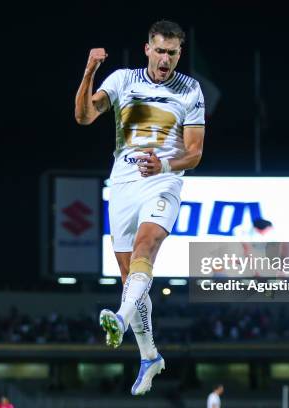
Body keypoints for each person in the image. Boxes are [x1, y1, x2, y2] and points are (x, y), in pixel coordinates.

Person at [74, 20, 206, 395]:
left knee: (146, 246)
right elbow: (84, 116)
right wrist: (89, 72)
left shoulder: (190, 89)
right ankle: (149, 356)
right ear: (147, 49)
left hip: (163, 180)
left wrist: (164, 165)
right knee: (129, 273)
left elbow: (194, 153)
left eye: (173, 53)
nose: (166, 59)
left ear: (180, 54)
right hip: (122, 183)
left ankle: (120, 316)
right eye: (160, 51)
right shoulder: (121, 80)